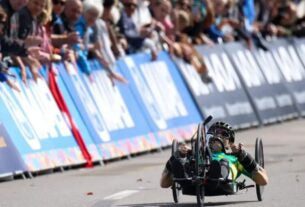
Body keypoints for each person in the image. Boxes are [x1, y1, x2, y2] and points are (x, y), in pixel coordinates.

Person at [160, 121, 269, 194]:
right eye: (215, 132)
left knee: (223, 162)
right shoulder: (196, 155)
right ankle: (184, 180)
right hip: (193, 180)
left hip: (222, 180)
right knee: (181, 162)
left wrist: (244, 156)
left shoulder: (236, 159)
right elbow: (164, 184)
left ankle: (216, 176)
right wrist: (177, 156)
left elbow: (263, 180)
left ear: (230, 142)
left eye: (223, 134)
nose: (218, 135)